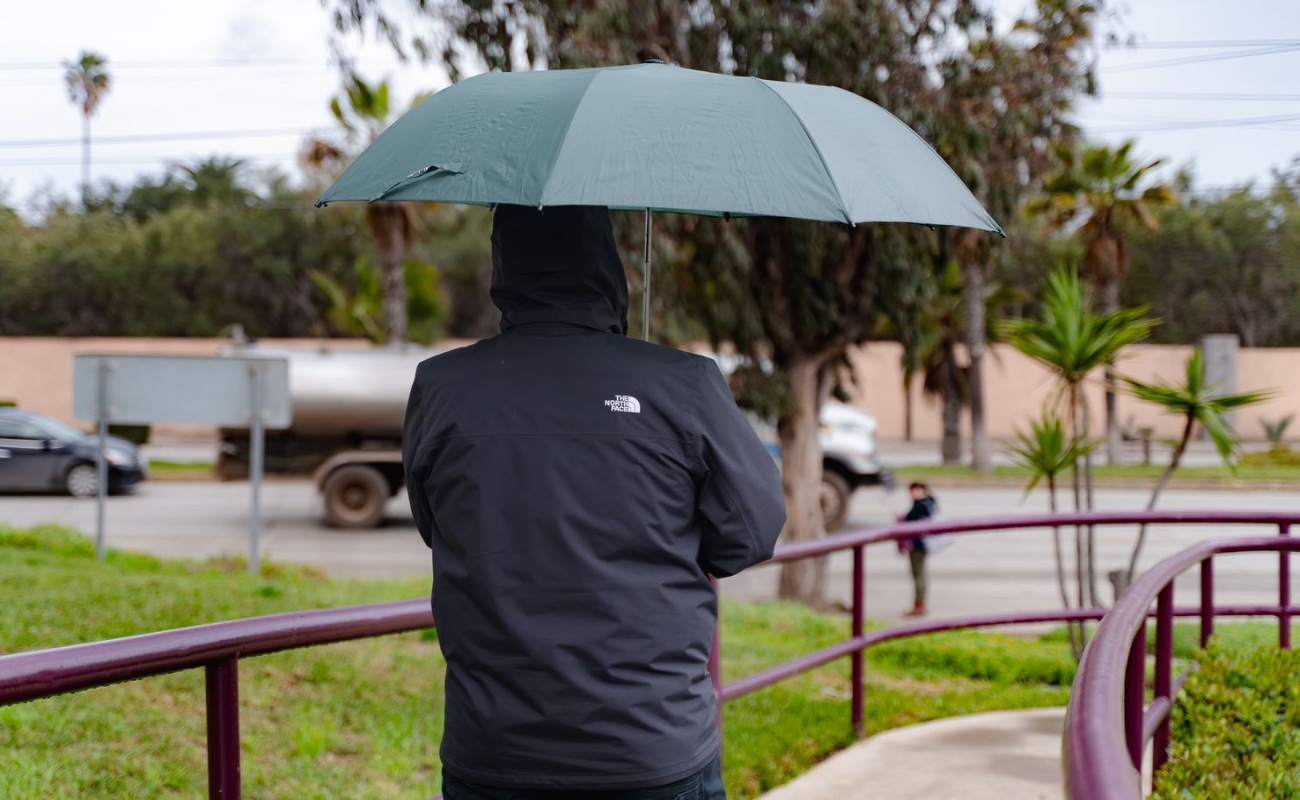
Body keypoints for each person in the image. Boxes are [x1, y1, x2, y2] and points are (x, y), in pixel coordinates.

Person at [403, 204, 786, 800]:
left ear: (505, 266)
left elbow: (438, 525)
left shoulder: (441, 385)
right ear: (608, 266)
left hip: (494, 749)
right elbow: (749, 535)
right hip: (651, 745)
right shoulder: (682, 382)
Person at [898, 482, 939, 617]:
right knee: (919, 575)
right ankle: (919, 604)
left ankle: (919, 605)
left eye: (915, 490)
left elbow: (910, 520)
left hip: (918, 544)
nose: (913, 494)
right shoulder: (929, 504)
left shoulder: (922, 505)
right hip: (920, 544)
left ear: (923, 490)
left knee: (918, 575)